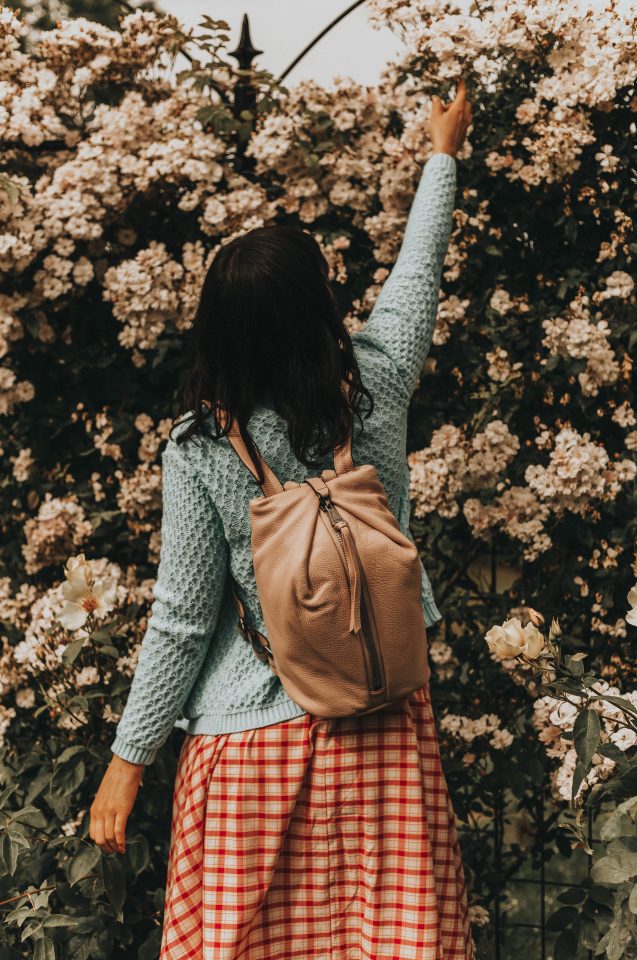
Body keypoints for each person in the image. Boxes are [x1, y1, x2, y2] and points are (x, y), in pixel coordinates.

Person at [90, 76, 474, 959]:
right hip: (383, 732)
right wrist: (441, 151)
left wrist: (127, 764)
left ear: (217, 332)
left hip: (249, 749)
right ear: (319, 311)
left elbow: (184, 622)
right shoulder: (374, 391)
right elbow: (419, 270)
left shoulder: (200, 448)